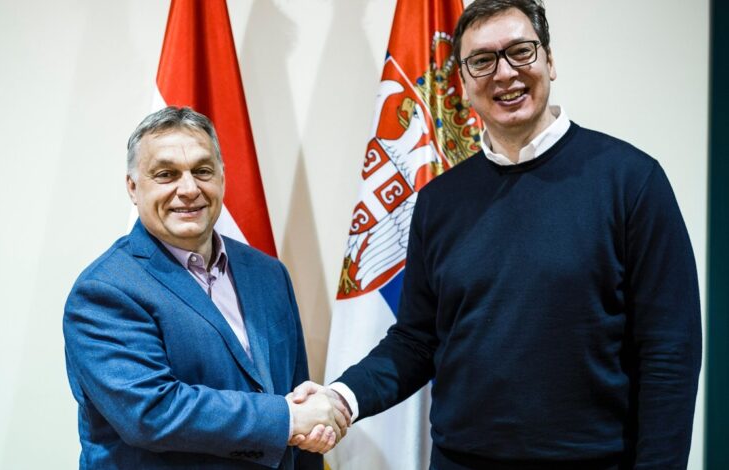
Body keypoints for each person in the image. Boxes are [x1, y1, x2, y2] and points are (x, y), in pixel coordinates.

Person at [291, 0, 702, 468]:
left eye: (521, 52)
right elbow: (416, 341)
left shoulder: (632, 182)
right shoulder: (438, 201)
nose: (504, 73)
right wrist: (341, 398)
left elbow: (670, 352)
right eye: (482, 61)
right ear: (464, 83)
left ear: (550, 60)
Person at [63, 106, 349, 469]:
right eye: (166, 174)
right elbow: (152, 412)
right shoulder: (104, 291)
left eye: (202, 171)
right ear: (133, 187)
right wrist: (287, 418)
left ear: (222, 177)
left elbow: (295, 397)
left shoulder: (269, 274)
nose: (189, 189)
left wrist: (306, 422)